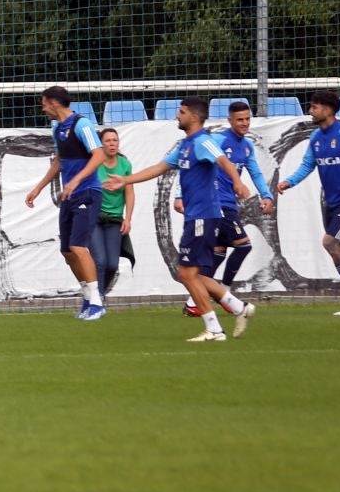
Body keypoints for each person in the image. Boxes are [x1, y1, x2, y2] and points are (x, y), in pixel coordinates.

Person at [102, 98, 257, 342]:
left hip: (203, 216)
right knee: (193, 274)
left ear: (194, 117)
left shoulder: (203, 141)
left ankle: (215, 329)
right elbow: (158, 167)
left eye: (182, 112)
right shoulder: (185, 145)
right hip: (196, 216)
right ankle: (238, 307)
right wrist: (125, 180)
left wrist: (237, 182)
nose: (177, 115)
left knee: (186, 273)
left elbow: (222, 160)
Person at [275, 89, 340, 316]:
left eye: (314, 107)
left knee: (329, 243)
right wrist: (288, 182)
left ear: (328, 110)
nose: (310, 111)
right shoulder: (315, 138)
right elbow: (307, 166)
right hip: (330, 201)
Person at [23, 86, 108, 320]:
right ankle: (88, 298)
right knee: (68, 251)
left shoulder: (82, 125)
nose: (42, 108)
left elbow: (99, 155)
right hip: (70, 196)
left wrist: (77, 180)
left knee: (79, 248)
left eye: (43, 103)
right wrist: (38, 188)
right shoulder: (57, 127)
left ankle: (97, 303)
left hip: (87, 193)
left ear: (54, 103)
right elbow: (60, 159)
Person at [211, 100, 276, 294]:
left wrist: (267, 195)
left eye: (247, 119)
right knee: (243, 246)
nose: (245, 123)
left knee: (219, 252)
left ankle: (195, 299)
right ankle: (224, 291)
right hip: (216, 203)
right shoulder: (218, 141)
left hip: (229, 203)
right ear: (230, 120)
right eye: (240, 120)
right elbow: (196, 163)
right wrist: (181, 194)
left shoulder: (247, 146)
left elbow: (255, 172)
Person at [91, 127, 134, 299]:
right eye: (108, 141)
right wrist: (98, 186)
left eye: (114, 140)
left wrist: (128, 218)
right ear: (101, 145)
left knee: (112, 265)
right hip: (94, 218)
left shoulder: (125, 164)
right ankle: (96, 299)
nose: (112, 144)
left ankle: (99, 294)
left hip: (115, 219)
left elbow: (129, 192)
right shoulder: (94, 163)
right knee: (100, 261)